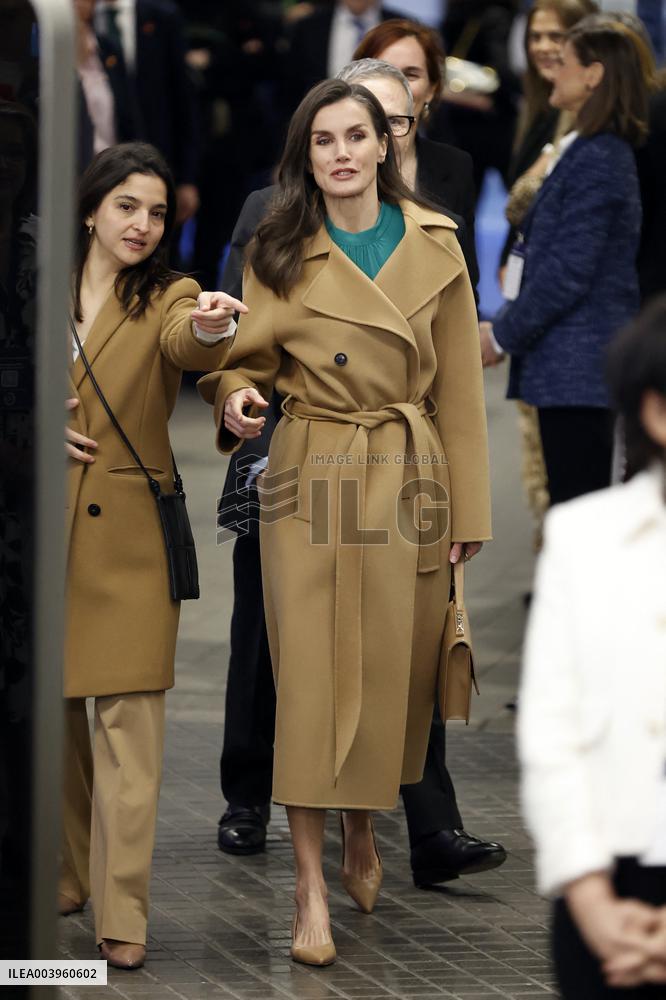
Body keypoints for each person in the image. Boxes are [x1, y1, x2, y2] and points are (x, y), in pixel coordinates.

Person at [199, 78, 491, 965]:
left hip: (407, 470)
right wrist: (237, 393)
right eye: (321, 139)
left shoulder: (437, 243)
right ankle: (309, 888)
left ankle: (362, 825)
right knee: (313, 677)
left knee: (390, 672)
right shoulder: (279, 247)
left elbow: (462, 393)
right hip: (311, 468)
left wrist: (468, 510)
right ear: (306, 154)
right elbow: (240, 361)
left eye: (354, 136)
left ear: (383, 145)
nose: (339, 153)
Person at [60, 142, 240, 971]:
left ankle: (122, 913)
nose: (141, 224)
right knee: (51, 729)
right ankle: (63, 880)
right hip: (37, 538)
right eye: (126, 205)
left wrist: (210, 327)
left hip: (129, 539)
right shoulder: (35, 284)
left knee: (131, 733)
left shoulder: (165, 293)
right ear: (90, 207)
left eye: (157, 211)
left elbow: (190, 342)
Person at [518, 295, 666, 998]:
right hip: (600, 889)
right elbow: (551, 730)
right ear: (654, 410)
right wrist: (588, 897)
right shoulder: (583, 539)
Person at [481, 17, 647, 506]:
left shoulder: (600, 157)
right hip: (572, 372)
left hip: (582, 374)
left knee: (581, 513)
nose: (553, 72)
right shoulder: (590, 149)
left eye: (565, 63)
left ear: (593, 75)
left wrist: (502, 333)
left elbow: (567, 273)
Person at [500, 0, 598, 552]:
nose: (541, 45)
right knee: (534, 445)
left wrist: (506, 329)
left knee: (560, 457)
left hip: (559, 323)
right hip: (531, 304)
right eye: (535, 34)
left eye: (555, 35)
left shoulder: (590, 132)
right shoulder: (541, 108)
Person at [353, 17, 478, 278]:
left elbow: (465, 279)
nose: (396, 85)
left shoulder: (456, 166)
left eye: (410, 74)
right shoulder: (331, 161)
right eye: (383, 71)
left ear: (432, 89)